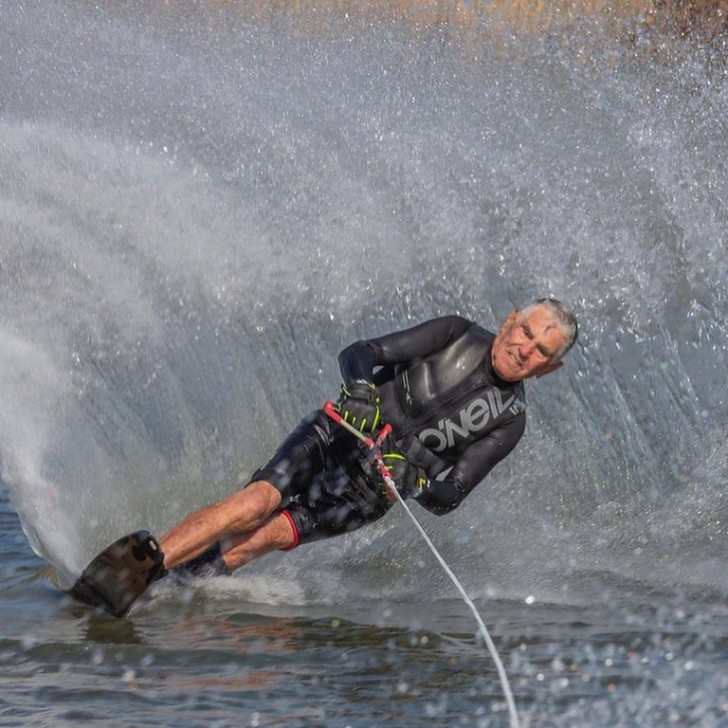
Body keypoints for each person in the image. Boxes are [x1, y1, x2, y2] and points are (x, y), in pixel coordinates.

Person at [159, 298, 578, 577]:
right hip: (336, 435)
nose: (526, 349)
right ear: (510, 322)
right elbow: (360, 352)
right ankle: (147, 568)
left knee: (270, 535)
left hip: (367, 495)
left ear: (548, 369)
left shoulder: (510, 422)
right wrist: (361, 389)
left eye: (542, 351)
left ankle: (173, 586)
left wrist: (419, 484)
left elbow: (452, 493)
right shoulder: (455, 333)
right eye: (526, 332)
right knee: (256, 503)